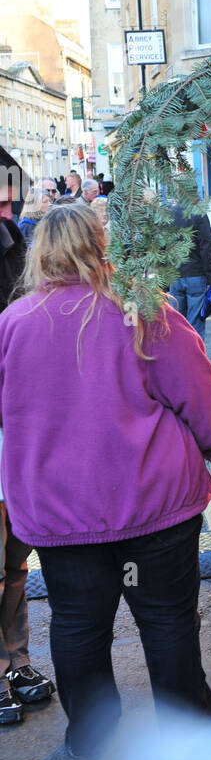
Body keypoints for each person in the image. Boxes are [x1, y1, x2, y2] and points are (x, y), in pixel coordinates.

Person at [0, 203, 211, 755]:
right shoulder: (139, 310)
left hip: (61, 514)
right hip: (155, 507)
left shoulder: (12, 325)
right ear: (99, 244)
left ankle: (94, 736)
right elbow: (195, 388)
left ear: (39, 254)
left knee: (79, 624)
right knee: (167, 623)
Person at [0, 176, 54, 725]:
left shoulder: (13, 241)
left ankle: (16, 661)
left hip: (12, 436)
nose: (6, 204)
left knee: (14, 563)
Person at [167, 195, 211, 342]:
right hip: (196, 275)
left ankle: (179, 362)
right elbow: (207, 248)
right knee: (195, 325)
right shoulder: (199, 214)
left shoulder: (170, 214)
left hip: (175, 274)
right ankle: (196, 362)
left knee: (176, 325)